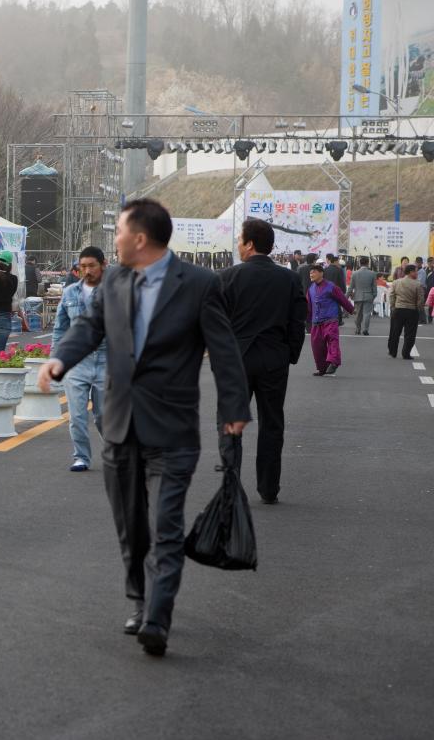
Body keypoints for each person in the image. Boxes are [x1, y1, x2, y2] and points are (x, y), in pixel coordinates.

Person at [39, 198, 249, 658]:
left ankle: (157, 617)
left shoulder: (199, 284)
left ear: (139, 238)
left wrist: (234, 407)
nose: (113, 238)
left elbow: (225, 349)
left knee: (165, 526)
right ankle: (138, 597)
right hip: (118, 425)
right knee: (131, 527)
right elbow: (90, 327)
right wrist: (59, 359)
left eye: (117, 231)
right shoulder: (113, 280)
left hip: (172, 430)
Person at [219, 219, 307, 504]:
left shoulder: (228, 277)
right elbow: (298, 323)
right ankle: (269, 488)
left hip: (236, 362)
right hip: (273, 360)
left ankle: (231, 487)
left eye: (239, 240)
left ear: (250, 244)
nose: (238, 245)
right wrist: (288, 355)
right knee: (272, 424)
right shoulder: (290, 279)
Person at [50, 245, 107, 472]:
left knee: (104, 416)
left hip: (107, 360)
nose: (87, 270)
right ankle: (81, 456)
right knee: (77, 415)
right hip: (77, 362)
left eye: (91, 265)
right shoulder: (70, 293)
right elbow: (59, 328)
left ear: (103, 266)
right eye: (82, 266)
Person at [307, 263, 355, 377]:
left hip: (330, 320)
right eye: (310, 272)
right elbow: (308, 305)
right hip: (316, 322)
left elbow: (342, 299)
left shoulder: (331, 286)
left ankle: (334, 362)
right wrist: (306, 319)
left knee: (333, 341)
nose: (311, 274)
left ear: (321, 273)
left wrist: (351, 309)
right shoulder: (311, 289)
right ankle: (322, 368)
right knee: (317, 346)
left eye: (314, 272)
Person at [388, 263, 422, 360]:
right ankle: (406, 353)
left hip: (398, 309)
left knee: (395, 331)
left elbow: (391, 295)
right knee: (410, 333)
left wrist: (393, 306)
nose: (417, 273)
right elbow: (420, 299)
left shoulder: (396, 282)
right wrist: (418, 308)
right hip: (412, 310)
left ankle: (392, 351)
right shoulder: (417, 284)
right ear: (411, 272)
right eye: (416, 271)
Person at [348, 256, 378, 336]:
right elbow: (374, 287)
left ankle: (358, 329)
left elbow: (351, 287)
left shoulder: (354, 273)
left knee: (358, 314)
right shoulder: (372, 274)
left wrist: (346, 297)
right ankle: (365, 329)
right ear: (368, 263)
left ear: (359, 263)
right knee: (367, 314)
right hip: (369, 296)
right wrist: (373, 296)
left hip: (357, 296)